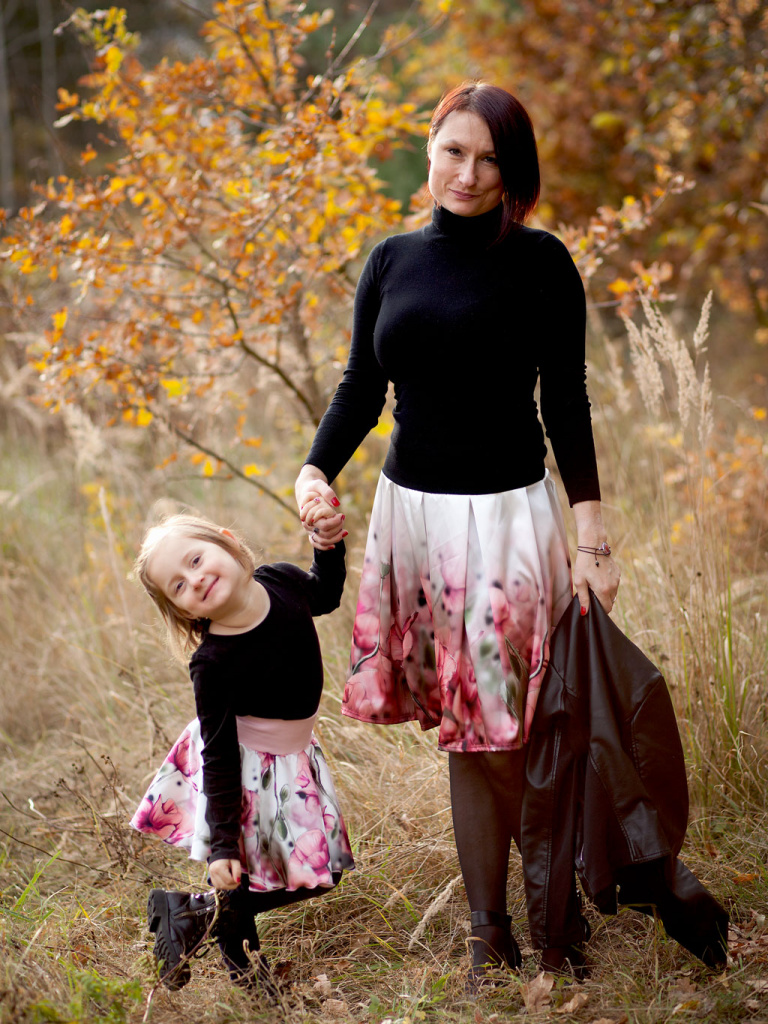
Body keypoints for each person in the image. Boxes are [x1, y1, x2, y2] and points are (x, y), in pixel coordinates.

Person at [294, 81, 620, 983]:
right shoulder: (391, 260)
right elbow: (362, 386)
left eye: (489, 160)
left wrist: (592, 539)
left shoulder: (542, 263)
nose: (468, 175)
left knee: (513, 730)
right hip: (415, 521)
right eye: (453, 152)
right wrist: (315, 470)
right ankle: (491, 932)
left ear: (514, 173)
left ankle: (552, 919)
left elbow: (568, 402)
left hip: (509, 520)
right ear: (429, 147)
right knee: (471, 730)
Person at [130, 512, 354, 993]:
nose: (195, 579)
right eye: (179, 585)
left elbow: (326, 594)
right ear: (181, 609)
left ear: (228, 543)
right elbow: (219, 756)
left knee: (325, 874)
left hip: (291, 759)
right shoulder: (213, 662)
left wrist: (328, 545)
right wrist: (223, 846)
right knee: (250, 877)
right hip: (247, 770)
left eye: (196, 560)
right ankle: (242, 970)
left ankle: (194, 914)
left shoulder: (282, 581)